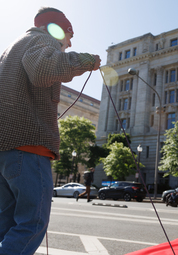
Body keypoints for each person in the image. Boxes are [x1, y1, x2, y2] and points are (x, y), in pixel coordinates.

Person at [0, 7, 101, 255]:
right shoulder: (42, 39)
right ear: (57, 30)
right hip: (28, 146)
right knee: (31, 223)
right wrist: (87, 60)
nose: (68, 43)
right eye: (69, 37)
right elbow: (43, 70)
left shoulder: (10, 48)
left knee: (5, 223)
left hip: (5, 150)